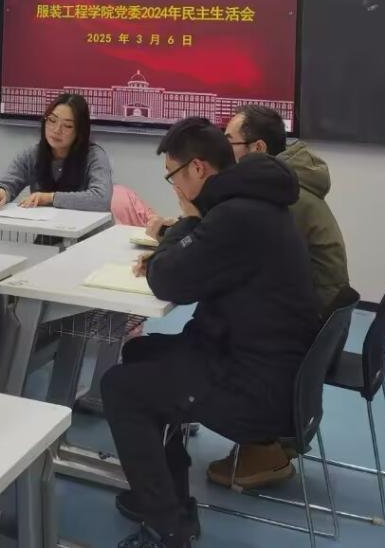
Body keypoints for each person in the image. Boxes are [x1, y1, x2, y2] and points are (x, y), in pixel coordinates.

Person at [102, 117, 320, 548]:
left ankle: (167, 528)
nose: (174, 187)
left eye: (173, 175)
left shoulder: (235, 216)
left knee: (119, 388)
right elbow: (194, 269)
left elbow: (169, 282)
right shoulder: (251, 204)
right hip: (259, 361)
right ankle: (172, 497)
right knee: (141, 353)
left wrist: (185, 224)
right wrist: (180, 246)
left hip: (253, 384)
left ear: (198, 168)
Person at [199, 105, 350, 489]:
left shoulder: (283, 197)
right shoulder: (286, 184)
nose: (222, 151)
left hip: (308, 335)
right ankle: (261, 443)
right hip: (322, 325)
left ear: (258, 148)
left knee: (211, 332)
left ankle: (264, 446)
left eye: (229, 142)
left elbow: (236, 257)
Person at [0, 93, 112, 211]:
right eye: (52, 120)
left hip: (86, 228)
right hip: (45, 227)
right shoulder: (32, 154)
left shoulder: (94, 156)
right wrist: (0, 191)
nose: (56, 130)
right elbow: (8, 183)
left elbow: (101, 199)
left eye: (67, 126)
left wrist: (50, 198)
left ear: (79, 132)